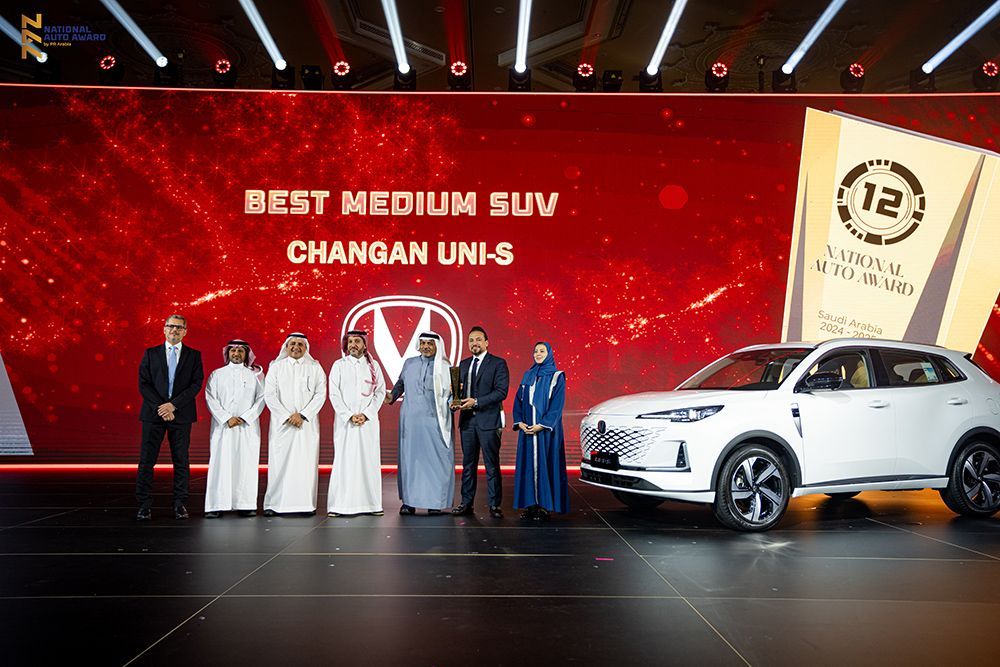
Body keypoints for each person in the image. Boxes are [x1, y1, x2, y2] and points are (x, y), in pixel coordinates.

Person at [136, 314, 204, 521]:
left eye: (179, 327)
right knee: (147, 461)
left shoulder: (193, 355)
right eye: (170, 326)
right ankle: (144, 505)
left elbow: (196, 384)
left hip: (181, 414)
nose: (174, 330)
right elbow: (144, 383)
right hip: (153, 414)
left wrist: (173, 405)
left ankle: (180, 504)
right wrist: (162, 407)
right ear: (164, 329)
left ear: (185, 331)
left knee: (181, 461)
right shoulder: (151, 353)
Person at [384, 331, 454, 515]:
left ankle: (435, 503)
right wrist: (392, 396)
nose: (426, 347)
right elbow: (401, 383)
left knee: (436, 461)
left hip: (435, 422)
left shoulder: (446, 367)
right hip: (411, 421)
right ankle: (409, 502)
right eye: (422, 343)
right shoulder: (410, 363)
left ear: (438, 346)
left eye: (430, 344)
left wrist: (454, 402)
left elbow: (452, 394)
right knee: (410, 461)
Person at [263, 333, 326, 516]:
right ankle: (274, 505)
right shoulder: (276, 367)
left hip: (306, 426)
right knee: (279, 464)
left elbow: (320, 395)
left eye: (300, 344)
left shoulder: (315, 368)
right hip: (282, 425)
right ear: (286, 346)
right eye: (292, 344)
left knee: (305, 464)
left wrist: (303, 415)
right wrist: (287, 416)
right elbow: (270, 395)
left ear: (306, 347)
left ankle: (305, 505)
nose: (296, 347)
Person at [451, 326, 509, 519]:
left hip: (488, 421)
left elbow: (501, 392)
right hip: (467, 422)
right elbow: (458, 392)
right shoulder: (463, 364)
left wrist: (476, 402)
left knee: (492, 464)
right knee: (468, 464)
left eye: (478, 339)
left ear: (486, 342)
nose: (474, 343)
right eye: (471, 340)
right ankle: (466, 503)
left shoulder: (498, 363)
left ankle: (494, 505)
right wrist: (454, 402)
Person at [204, 339, 266, 519]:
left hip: (247, 428)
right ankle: (216, 504)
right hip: (223, 428)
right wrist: (225, 418)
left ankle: (245, 504)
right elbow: (210, 398)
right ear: (228, 354)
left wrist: (245, 418)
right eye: (233, 351)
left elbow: (261, 399)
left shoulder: (256, 375)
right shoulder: (217, 374)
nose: (236, 354)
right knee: (220, 464)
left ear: (246, 354)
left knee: (246, 464)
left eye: (240, 351)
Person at [327, 330, 386, 517]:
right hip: (346, 423)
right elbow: (334, 394)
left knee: (368, 461)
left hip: (367, 422)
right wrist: (349, 415)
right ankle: (340, 505)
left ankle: (371, 505)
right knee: (344, 461)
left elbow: (380, 392)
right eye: (350, 341)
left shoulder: (373, 365)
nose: (353, 344)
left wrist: (366, 414)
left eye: (357, 341)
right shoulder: (339, 365)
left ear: (364, 345)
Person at [512, 341, 569, 520]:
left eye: (542, 351)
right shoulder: (527, 376)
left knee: (547, 464)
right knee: (528, 467)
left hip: (545, 432)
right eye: (535, 351)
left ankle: (544, 506)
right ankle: (530, 505)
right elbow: (518, 402)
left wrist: (542, 425)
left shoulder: (556, 376)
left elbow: (557, 405)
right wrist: (520, 422)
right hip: (528, 430)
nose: (538, 354)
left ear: (549, 353)